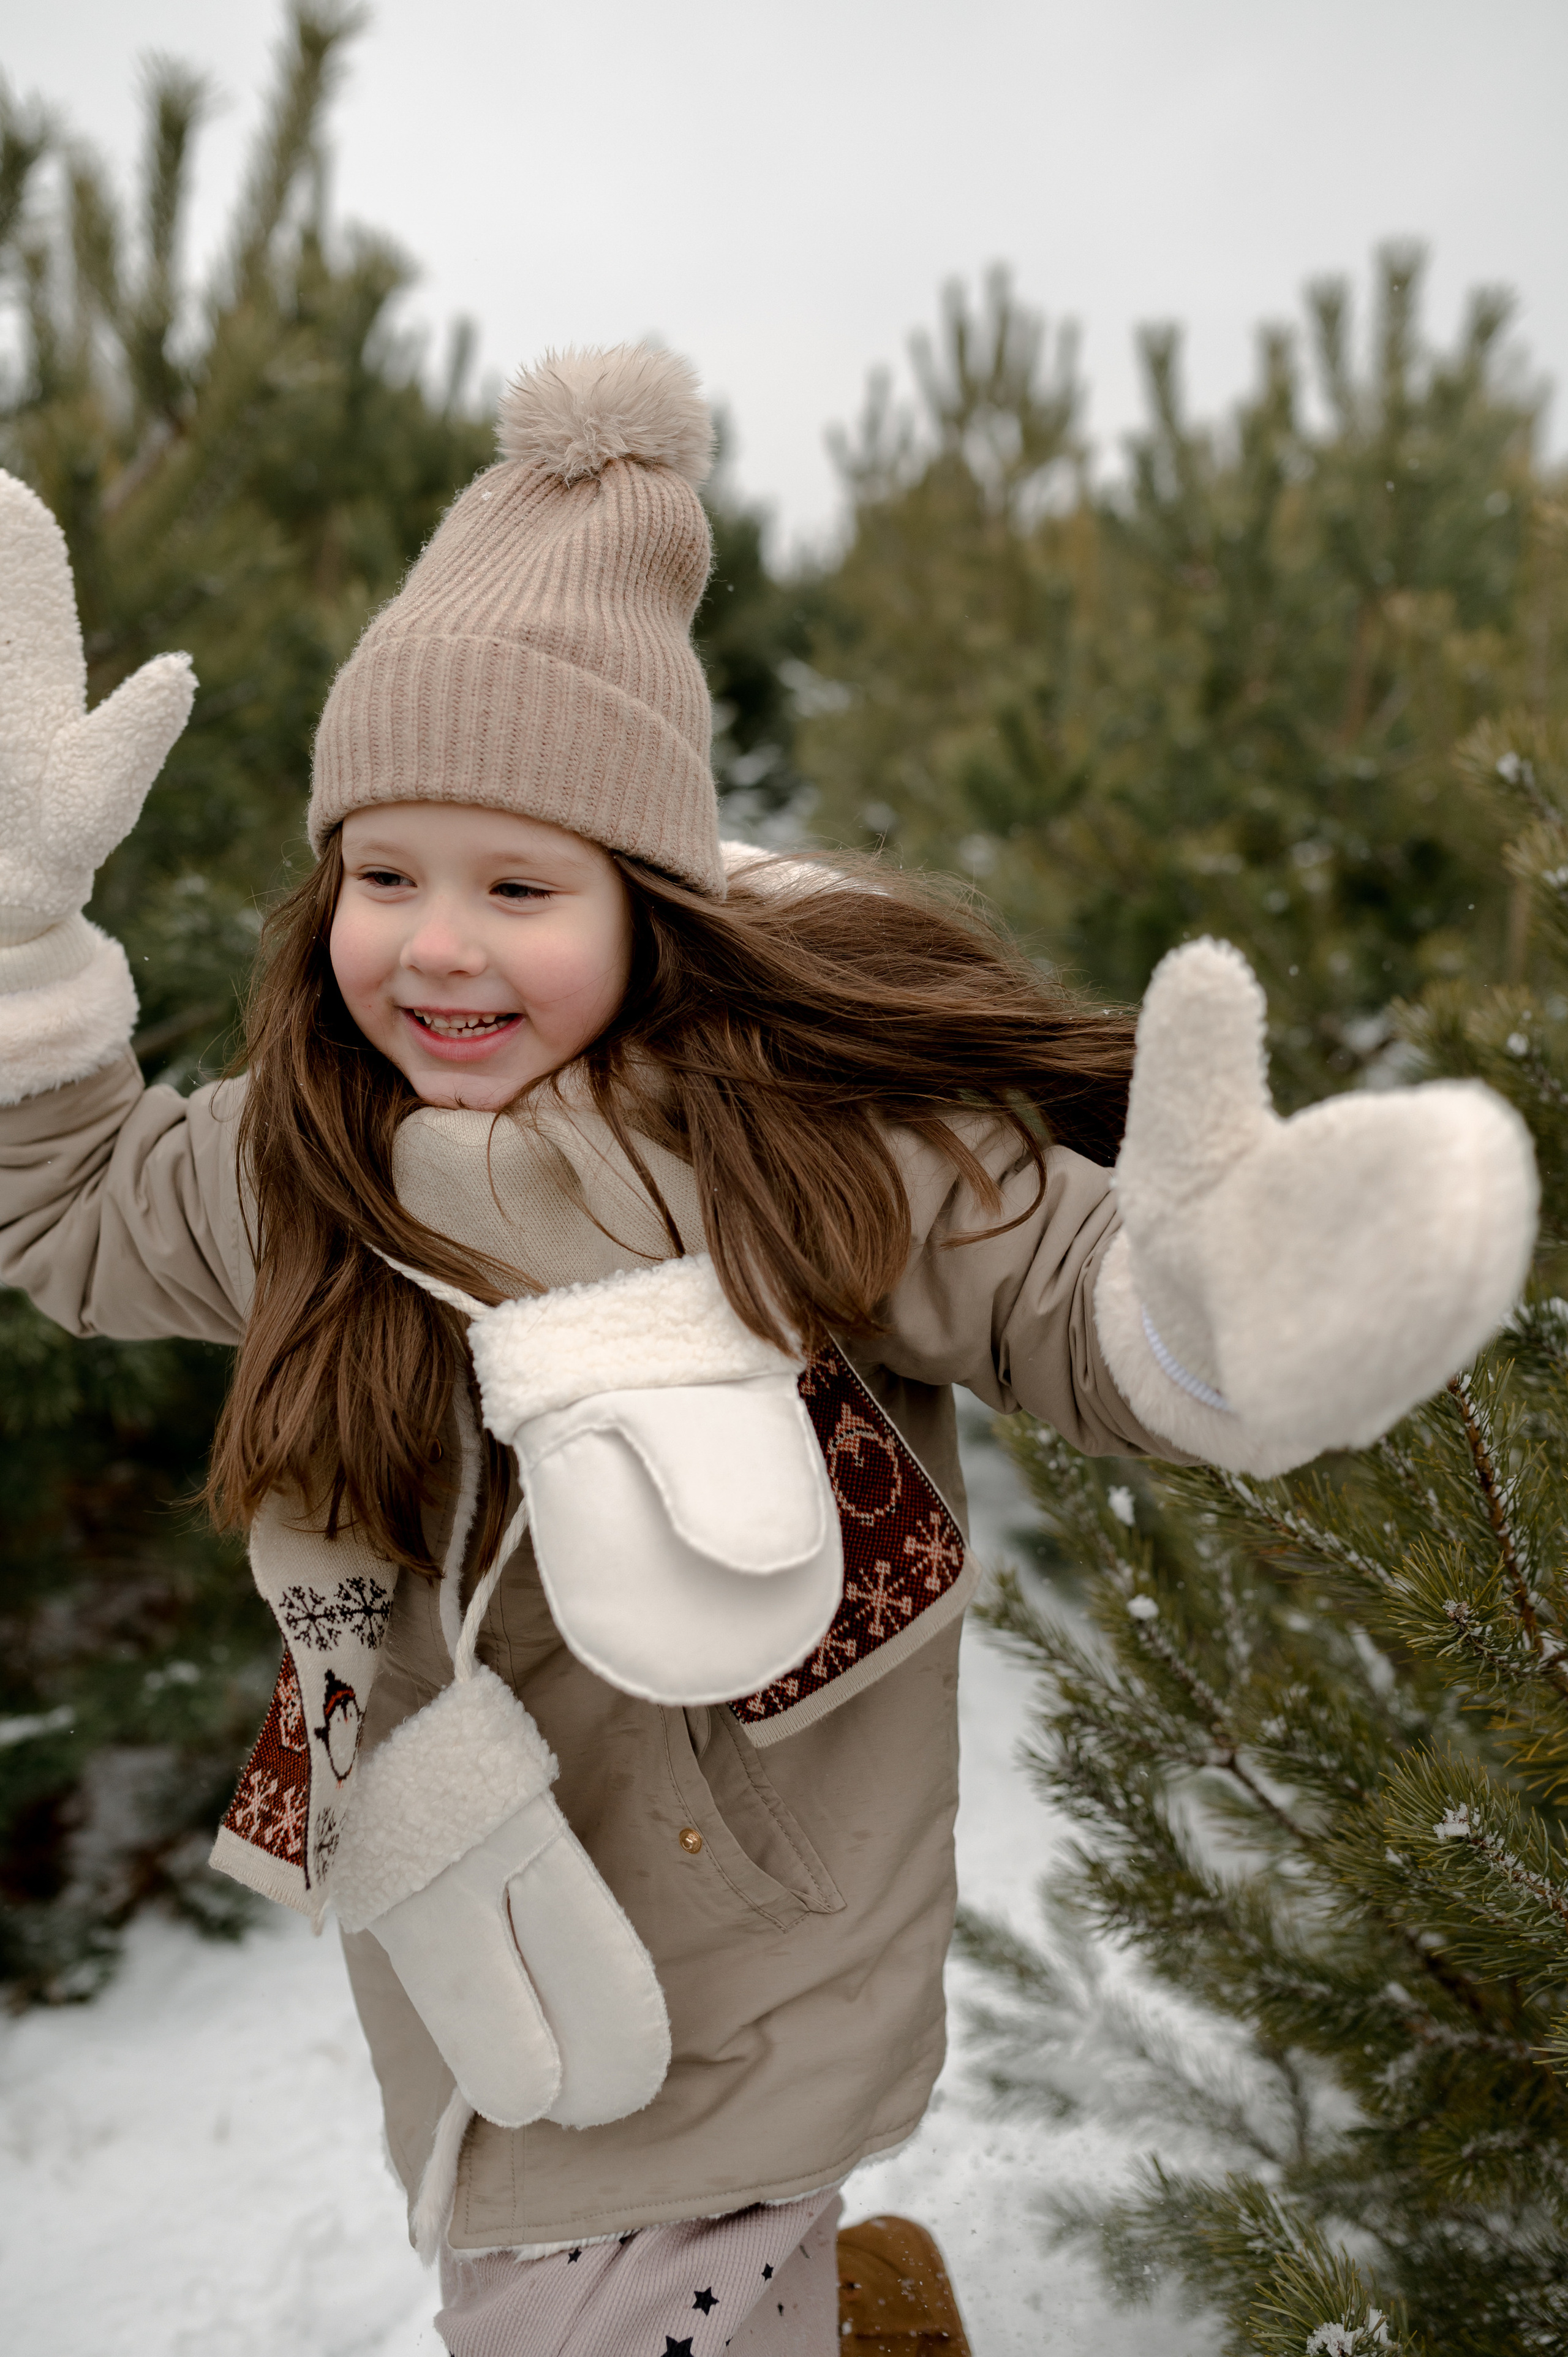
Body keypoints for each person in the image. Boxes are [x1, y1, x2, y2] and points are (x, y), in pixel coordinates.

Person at [0, 345, 1536, 2357]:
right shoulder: (310, 1156)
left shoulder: (805, 1142)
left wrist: (1224, 1315)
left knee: (585, 2295)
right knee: (565, 2252)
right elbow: (70, 1208)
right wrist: (26, 940)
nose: (437, 946)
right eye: (385, 875)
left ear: (650, 904)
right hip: (476, 1905)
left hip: (753, 1921)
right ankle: (859, 2313)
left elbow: (1064, 1299)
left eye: (517, 887)